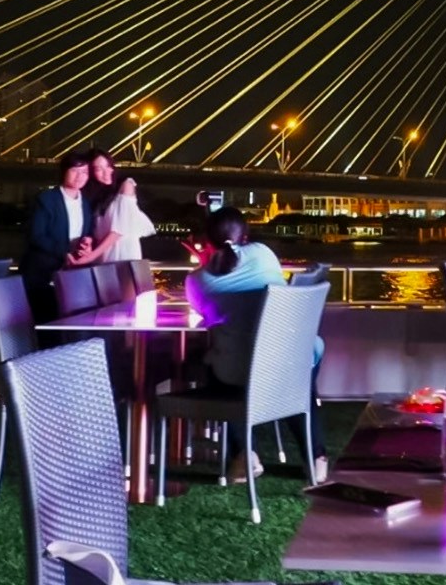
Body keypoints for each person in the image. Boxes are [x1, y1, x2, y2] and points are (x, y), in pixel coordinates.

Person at [184, 206, 327, 482]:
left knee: (211, 364)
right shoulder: (264, 254)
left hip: (237, 373)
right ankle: (316, 456)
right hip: (288, 365)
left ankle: (244, 454)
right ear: (246, 236)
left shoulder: (196, 281)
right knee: (301, 375)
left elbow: (208, 318)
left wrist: (207, 264)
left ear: (208, 240)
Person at [19, 151, 94, 323]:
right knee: (44, 325)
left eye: (84, 172)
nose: (80, 176)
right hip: (42, 274)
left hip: (70, 275)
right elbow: (36, 235)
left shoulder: (85, 203)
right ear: (64, 172)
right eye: (75, 170)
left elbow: (87, 232)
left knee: (67, 325)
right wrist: (64, 252)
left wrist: (87, 242)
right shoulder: (46, 199)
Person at [76, 149, 155, 265]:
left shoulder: (126, 185)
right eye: (99, 169)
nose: (106, 172)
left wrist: (90, 257)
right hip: (102, 257)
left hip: (123, 255)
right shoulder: (97, 198)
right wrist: (88, 242)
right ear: (91, 173)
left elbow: (118, 231)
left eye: (108, 166)